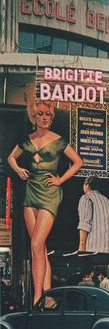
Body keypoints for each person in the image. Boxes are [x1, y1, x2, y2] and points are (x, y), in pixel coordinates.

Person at [7, 100, 83, 306]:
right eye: (40, 114)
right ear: (33, 117)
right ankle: (48, 297)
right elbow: (11, 158)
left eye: (48, 114)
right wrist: (18, 169)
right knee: (38, 248)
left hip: (49, 191)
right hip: (31, 190)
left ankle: (37, 298)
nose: (45, 118)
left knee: (36, 243)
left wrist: (60, 179)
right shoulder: (27, 140)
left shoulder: (59, 140)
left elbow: (78, 162)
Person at [77, 176, 109, 254]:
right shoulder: (106, 200)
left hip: (94, 251)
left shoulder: (86, 198)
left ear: (87, 185)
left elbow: (84, 225)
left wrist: (81, 250)